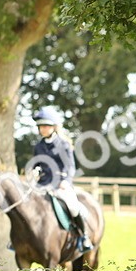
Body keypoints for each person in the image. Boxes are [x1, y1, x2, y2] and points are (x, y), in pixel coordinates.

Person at [31, 106, 93, 253]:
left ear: (53, 126)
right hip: (42, 184)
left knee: (72, 205)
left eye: (45, 126)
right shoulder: (38, 146)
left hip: (60, 184)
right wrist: (34, 172)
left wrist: (65, 181)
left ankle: (84, 237)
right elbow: (36, 164)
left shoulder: (63, 144)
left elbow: (70, 167)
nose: (42, 129)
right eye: (40, 126)